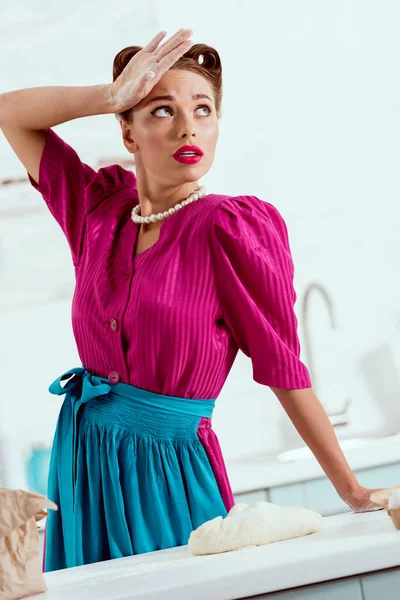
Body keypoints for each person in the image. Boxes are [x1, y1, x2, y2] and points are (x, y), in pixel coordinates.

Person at [0, 28, 383, 573]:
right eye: (161, 111)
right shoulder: (97, 211)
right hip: (82, 464)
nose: (188, 127)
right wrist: (109, 95)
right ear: (128, 133)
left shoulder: (229, 227)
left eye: (204, 110)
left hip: (170, 471)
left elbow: (283, 369)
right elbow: (11, 113)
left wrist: (351, 490)